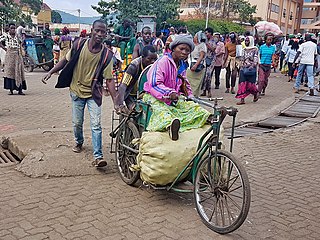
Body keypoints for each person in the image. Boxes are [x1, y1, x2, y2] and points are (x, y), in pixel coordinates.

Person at [42, 20, 116, 168]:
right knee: (77, 123)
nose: (100, 34)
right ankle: (79, 141)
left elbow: (109, 80)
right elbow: (65, 60)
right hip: (76, 91)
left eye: (103, 32)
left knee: (96, 125)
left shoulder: (107, 55)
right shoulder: (79, 45)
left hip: (93, 94)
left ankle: (98, 156)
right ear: (92, 31)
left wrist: (117, 102)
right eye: (97, 31)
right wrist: (51, 71)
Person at [143, 34, 211, 141]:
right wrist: (169, 93)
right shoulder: (163, 61)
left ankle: (208, 118)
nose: (184, 52)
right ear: (174, 48)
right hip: (155, 96)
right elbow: (154, 84)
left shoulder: (181, 65)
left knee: (193, 107)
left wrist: (190, 95)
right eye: (181, 49)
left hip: (173, 98)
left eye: (187, 51)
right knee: (163, 112)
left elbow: (185, 83)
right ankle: (171, 127)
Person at [115, 45, 157, 112]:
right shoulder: (134, 66)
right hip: (131, 94)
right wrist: (120, 103)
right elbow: (123, 85)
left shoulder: (156, 65)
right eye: (149, 59)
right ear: (143, 57)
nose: (153, 61)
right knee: (134, 111)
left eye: (155, 59)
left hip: (146, 95)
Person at [0, 23, 26, 95]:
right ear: (9, 29)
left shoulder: (17, 36)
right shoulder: (5, 36)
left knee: (19, 71)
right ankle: (11, 90)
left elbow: (21, 42)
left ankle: (20, 90)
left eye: (14, 28)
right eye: (11, 28)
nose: (13, 30)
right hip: (9, 55)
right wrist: (4, 48)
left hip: (17, 55)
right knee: (10, 71)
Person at [235, 36, 259, 105]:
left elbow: (256, 59)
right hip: (243, 69)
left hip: (251, 69)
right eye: (245, 41)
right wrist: (241, 64)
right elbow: (241, 58)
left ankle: (255, 93)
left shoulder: (255, 49)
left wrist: (252, 66)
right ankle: (242, 99)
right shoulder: (244, 49)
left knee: (250, 85)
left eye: (248, 41)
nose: (246, 42)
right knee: (242, 84)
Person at [187, 31, 207, 97]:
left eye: (195, 36)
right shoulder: (193, 45)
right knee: (189, 81)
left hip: (197, 65)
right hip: (191, 64)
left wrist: (196, 65)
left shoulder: (202, 45)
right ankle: (190, 94)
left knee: (196, 83)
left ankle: (194, 95)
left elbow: (201, 56)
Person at [201, 27, 216, 97]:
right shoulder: (204, 40)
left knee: (208, 75)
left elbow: (213, 49)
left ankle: (209, 91)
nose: (205, 34)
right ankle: (204, 91)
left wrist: (206, 44)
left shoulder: (214, 40)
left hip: (211, 60)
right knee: (204, 75)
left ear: (210, 33)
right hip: (205, 59)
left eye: (206, 33)